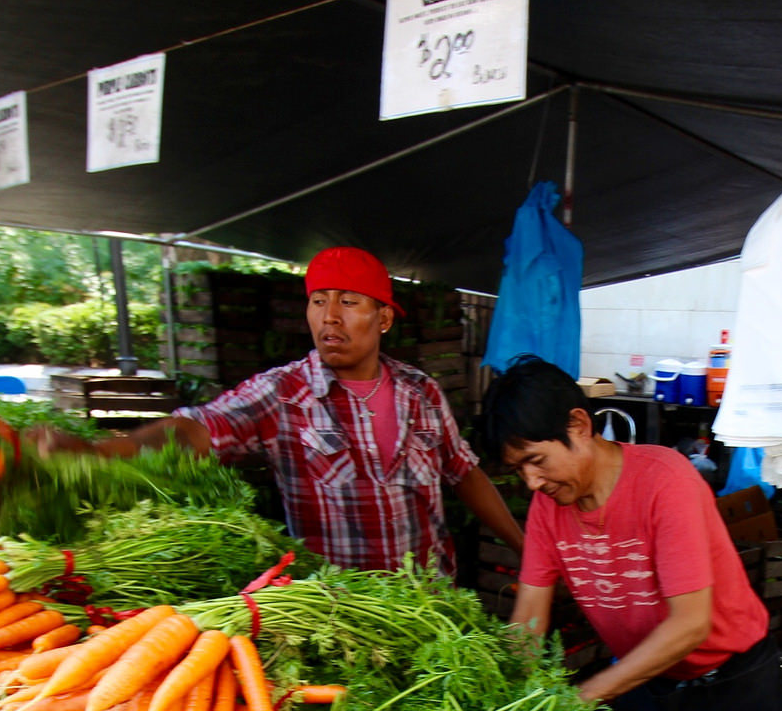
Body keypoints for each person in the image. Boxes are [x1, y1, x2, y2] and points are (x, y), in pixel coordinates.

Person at [63, 246, 524, 576]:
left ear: (383, 317)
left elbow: (463, 473)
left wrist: (523, 547)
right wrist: (101, 451)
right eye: (319, 301)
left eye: (348, 302)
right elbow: (197, 430)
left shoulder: (420, 392)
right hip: (342, 619)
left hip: (432, 605)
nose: (330, 316)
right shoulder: (282, 394)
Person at [485, 357, 781, 711]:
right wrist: (503, 703)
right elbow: (528, 620)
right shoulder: (549, 508)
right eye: (518, 470)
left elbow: (691, 624)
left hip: (729, 692)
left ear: (579, 425)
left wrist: (580, 698)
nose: (531, 482)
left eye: (536, 461)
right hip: (644, 685)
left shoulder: (666, 481)